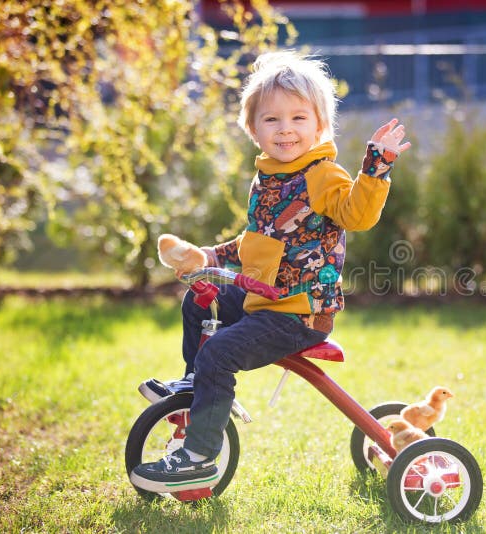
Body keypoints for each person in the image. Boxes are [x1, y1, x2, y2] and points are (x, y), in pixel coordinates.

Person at [130, 50, 411, 492]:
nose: (285, 129)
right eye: (272, 120)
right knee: (201, 298)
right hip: (267, 299)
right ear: (252, 128)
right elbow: (256, 243)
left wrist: (375, 168)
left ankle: (200, 456)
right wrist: (210, 258)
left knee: (219, 352)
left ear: (319, 125)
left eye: (299, 118)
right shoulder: (268, 179)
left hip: (298, 313)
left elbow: (356, 214)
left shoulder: (321, 175)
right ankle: (194, 383)